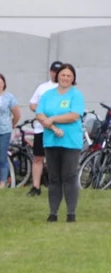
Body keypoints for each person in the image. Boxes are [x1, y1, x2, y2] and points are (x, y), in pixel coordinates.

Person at [35, 64, 84, 223]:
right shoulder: (48, 95)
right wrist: (52, 126)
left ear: (73, 78)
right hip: (51, 140)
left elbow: (74, 115)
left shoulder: (76, 95)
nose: (65, 78)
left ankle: (71, 213)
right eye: (63, 75)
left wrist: (53, 119)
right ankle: (53, 212)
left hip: (70, 142)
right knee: (54, 178)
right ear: (57, 76)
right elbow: (40, 114)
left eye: (69, 76)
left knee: (69, 176)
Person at [27, 61, 62, 197]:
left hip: (58, 127)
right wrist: (42, 111)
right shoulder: (42, 87)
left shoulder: (65, 88)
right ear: (50, 72)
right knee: (38, 157)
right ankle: (36, 186)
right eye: (54, 71)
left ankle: (57, 186)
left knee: (58, 158)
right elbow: (32, 104)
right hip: (41, 128)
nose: (56, 74)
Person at [0, 73, 20, 189]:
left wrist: (12, 124)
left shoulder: (9, 97)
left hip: (3, 131)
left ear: (4, 83)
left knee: (1, 157)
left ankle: (3, 182)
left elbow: (17, 114)